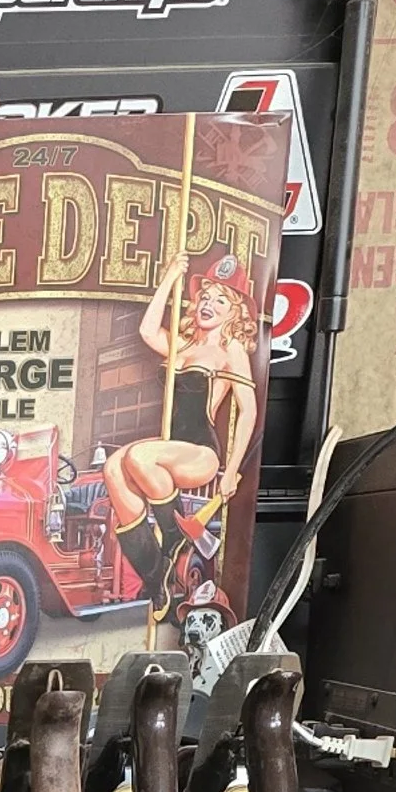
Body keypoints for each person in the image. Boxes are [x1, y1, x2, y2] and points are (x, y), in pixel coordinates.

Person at [102, 249, 259, 610]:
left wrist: (232, 470)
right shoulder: (182, 344)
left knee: (140, 457)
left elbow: (248, 410)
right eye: (205, 295)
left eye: (221, 299)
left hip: (200, 452)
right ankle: (155, 575)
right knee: (114, 468)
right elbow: (146, 329)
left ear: (234, 311)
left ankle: (173, 535)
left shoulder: (230, 349)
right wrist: (171, 276)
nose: (209, 303)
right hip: (168, 449)